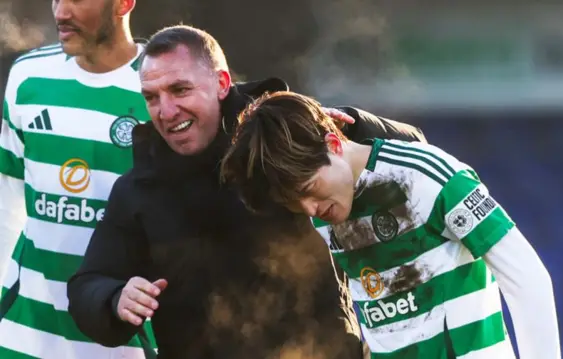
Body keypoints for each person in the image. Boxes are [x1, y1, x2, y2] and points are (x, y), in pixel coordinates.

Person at [67, 25, 427, 359]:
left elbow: (415, 150)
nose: (166, 111)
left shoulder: (285, 138)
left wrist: (356, 127)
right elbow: (87, 286)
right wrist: (114, 299)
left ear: (222, 83)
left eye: (179, 90)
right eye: (151, 97)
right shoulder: (139, 187)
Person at [220, 91, 562, 359]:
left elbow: (527, 278)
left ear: (334, 144)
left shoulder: (426, 175)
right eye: (294, 203)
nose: (310, 209)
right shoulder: (325, 215)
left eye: (309, 190)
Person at [0, 0, 158, 358]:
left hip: (121, 342)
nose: (60, 12)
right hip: (22, 334)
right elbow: (6, 198)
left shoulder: (164, 87)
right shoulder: (28, 77)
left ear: (124, 3)